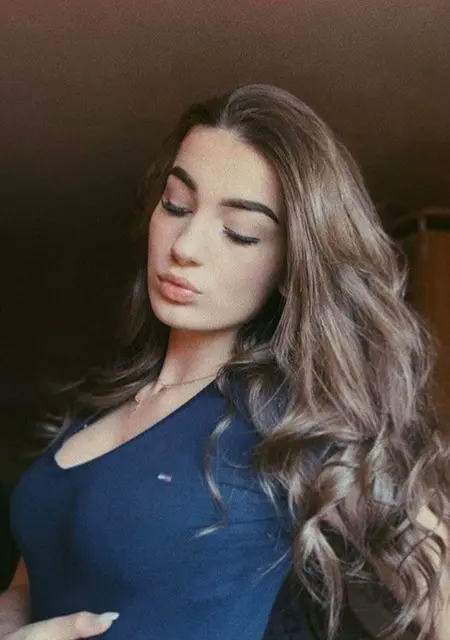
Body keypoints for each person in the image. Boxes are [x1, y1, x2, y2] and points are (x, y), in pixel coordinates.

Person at [1, 84, 450, 640]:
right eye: (176, 205)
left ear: (290, 266)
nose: (185, 245)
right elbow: (34, 585)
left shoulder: (293, 424)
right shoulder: (96, 411)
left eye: (239, 233)